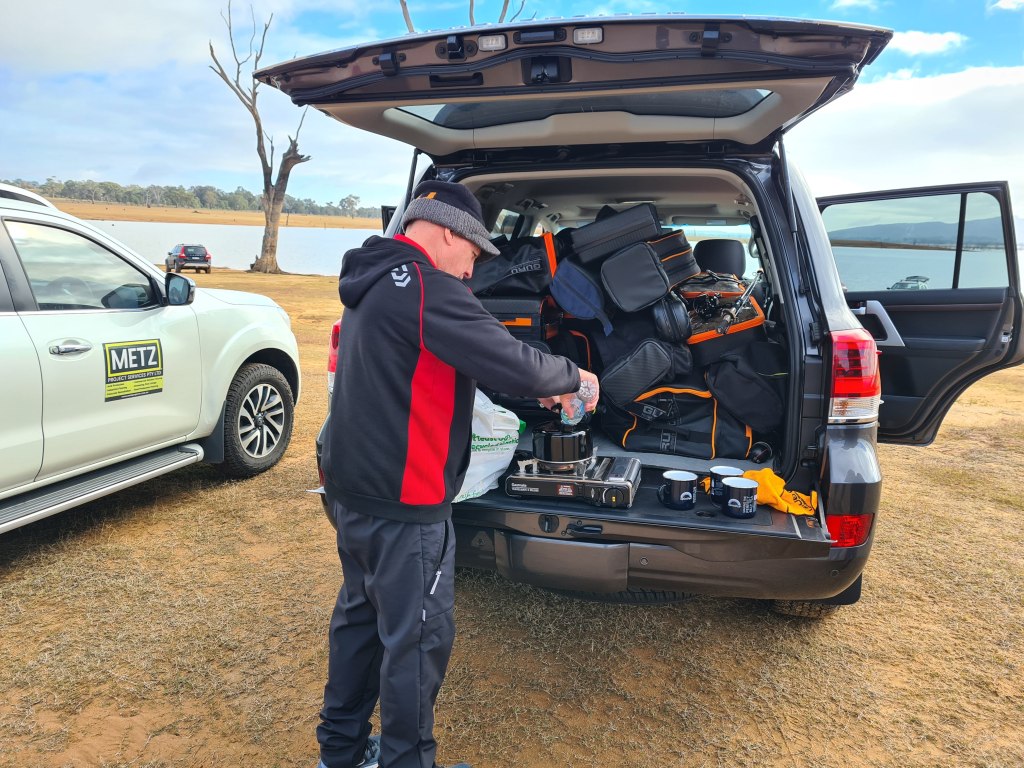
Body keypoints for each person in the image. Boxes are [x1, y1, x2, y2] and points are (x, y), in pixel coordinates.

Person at [316, 180, 600, 768]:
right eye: (472, 254)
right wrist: (573, 378)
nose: (471, 272)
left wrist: (530, 388)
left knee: (360, 622)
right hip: (405, 502)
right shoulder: (427, 286)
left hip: (352, 491)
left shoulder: (376, 276)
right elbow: (511, 358)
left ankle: (340, 753)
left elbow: (442, 359)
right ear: (448, 232)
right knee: (417, 641)